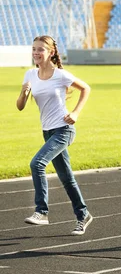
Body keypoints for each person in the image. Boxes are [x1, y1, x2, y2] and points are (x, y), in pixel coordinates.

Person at [16, 35, 93, 235]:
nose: (36, 53)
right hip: (47, 132)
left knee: (37, 163)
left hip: (63, 129)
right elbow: (20, 107)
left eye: (40, 49)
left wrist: (75, 113)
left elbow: (86, 88)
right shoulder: (30, 74)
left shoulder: (61, 75)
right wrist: (24, 92)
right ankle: (83, 214)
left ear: (51, 52)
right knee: (66, 178)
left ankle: (41, 212)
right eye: (34, 49)